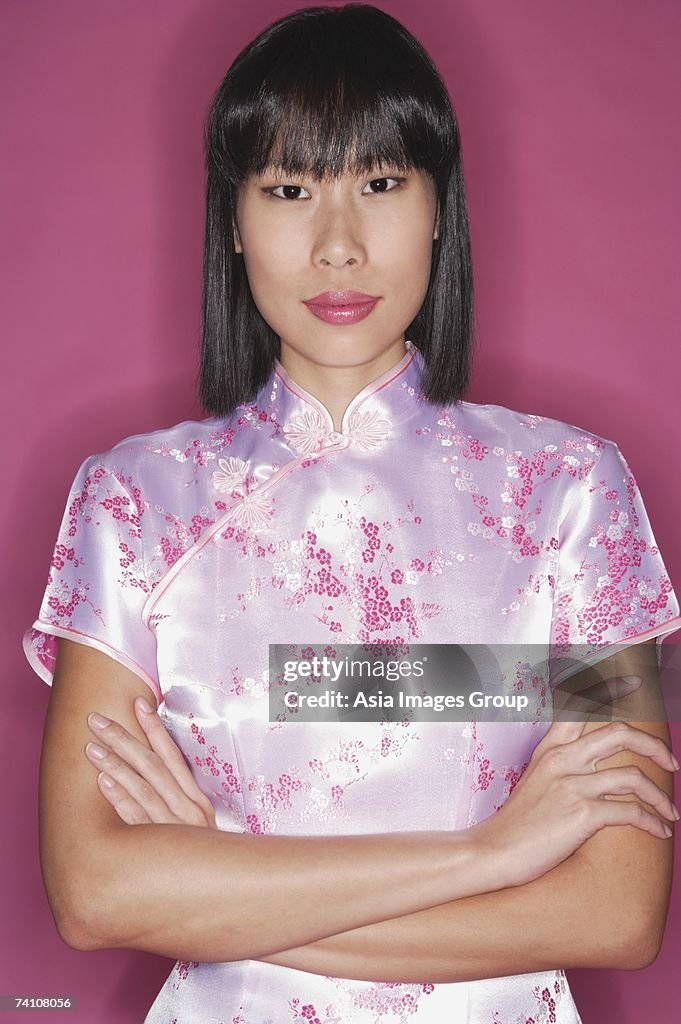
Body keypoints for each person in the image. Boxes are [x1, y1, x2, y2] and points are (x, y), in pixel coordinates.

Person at [23, 4, 681, 1022]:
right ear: (233, 224)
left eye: (380, 183)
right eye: (289, 189)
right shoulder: (131, 503)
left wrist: (217, 882)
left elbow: (617, 909)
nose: (338, 245)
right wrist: (493, 853)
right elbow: (93, 894)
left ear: (437, 208)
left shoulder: (575, 494)